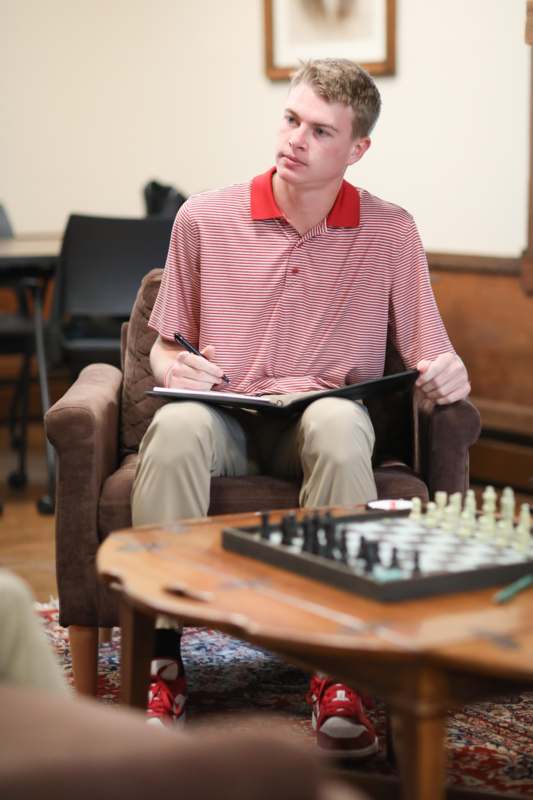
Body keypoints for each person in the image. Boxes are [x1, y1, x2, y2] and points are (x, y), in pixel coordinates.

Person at [131, 58, 470, 753]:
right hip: (223, 415)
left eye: (320, 131)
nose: (294, 139)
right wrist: (171, 361)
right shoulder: (202, 217)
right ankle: (164, 654)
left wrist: (450, 372)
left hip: (316, 420)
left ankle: (333, 668)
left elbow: (427, 353)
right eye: (291, 119)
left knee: (343, 422)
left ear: (356, 150)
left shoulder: (390, 232)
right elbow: (162, 349)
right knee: (174, 425)